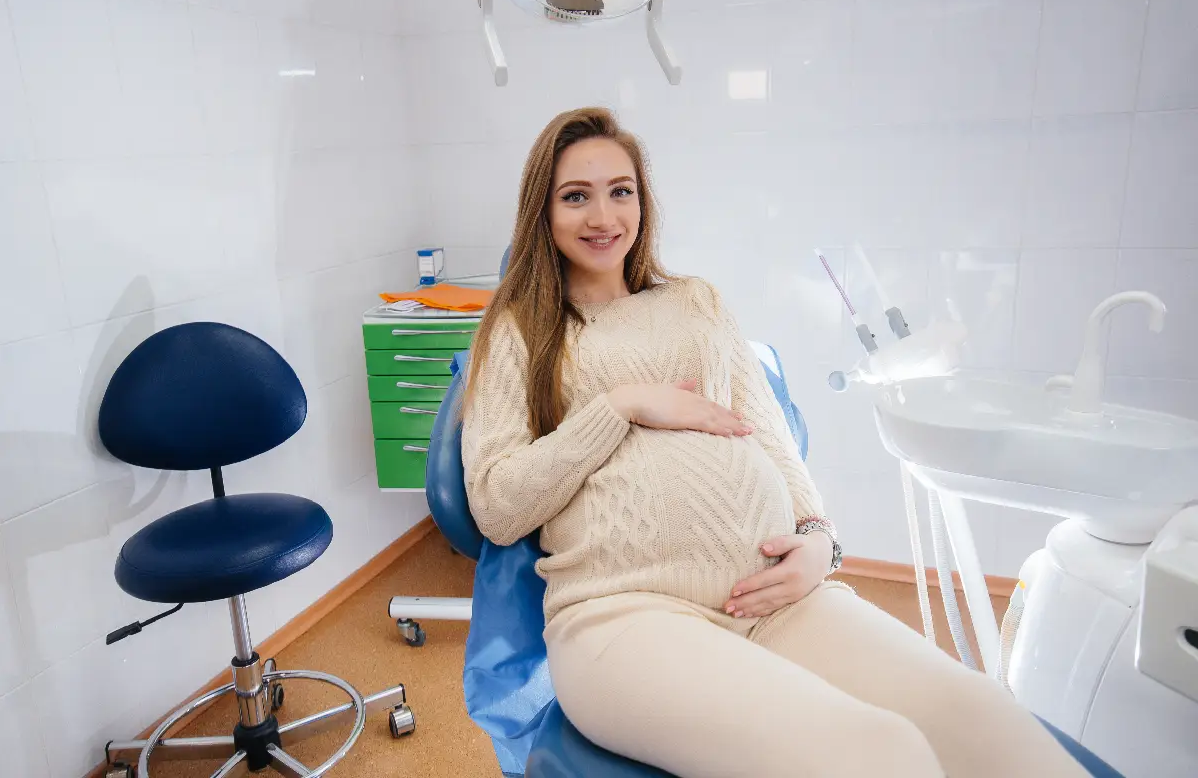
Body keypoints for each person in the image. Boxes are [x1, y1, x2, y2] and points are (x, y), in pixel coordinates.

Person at [459, 107, 1089, 778]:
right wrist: (622, 405)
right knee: (883, 754)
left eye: (621, 190)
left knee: (983, 716)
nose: (603, 215)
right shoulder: (519, 330)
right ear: (542, 212)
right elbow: (497, 507)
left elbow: (771, 440)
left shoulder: (696, 301)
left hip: (778, 599)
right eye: (575, 196)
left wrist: (820, 539)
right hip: (625, 617)